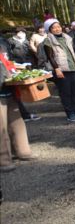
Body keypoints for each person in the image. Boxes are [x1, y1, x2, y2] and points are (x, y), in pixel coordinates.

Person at [0, 38, 37, 172]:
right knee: (1, 126)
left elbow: (6, 61)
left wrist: (14, 71)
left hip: (9, 87)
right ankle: (4, 160)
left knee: (17, 121)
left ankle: (22, 151)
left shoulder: (3, 42)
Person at [42, 19, 75, 122]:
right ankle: (70, 113)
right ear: (50, 30)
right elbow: (50, 56)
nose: (57, 29)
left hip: (73, 67)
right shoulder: (48, 40)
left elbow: (73, 52)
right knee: (65, 92)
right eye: (54, 28)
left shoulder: (67, 37)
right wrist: (57, 69)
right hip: (62, 69)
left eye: (58, 26)